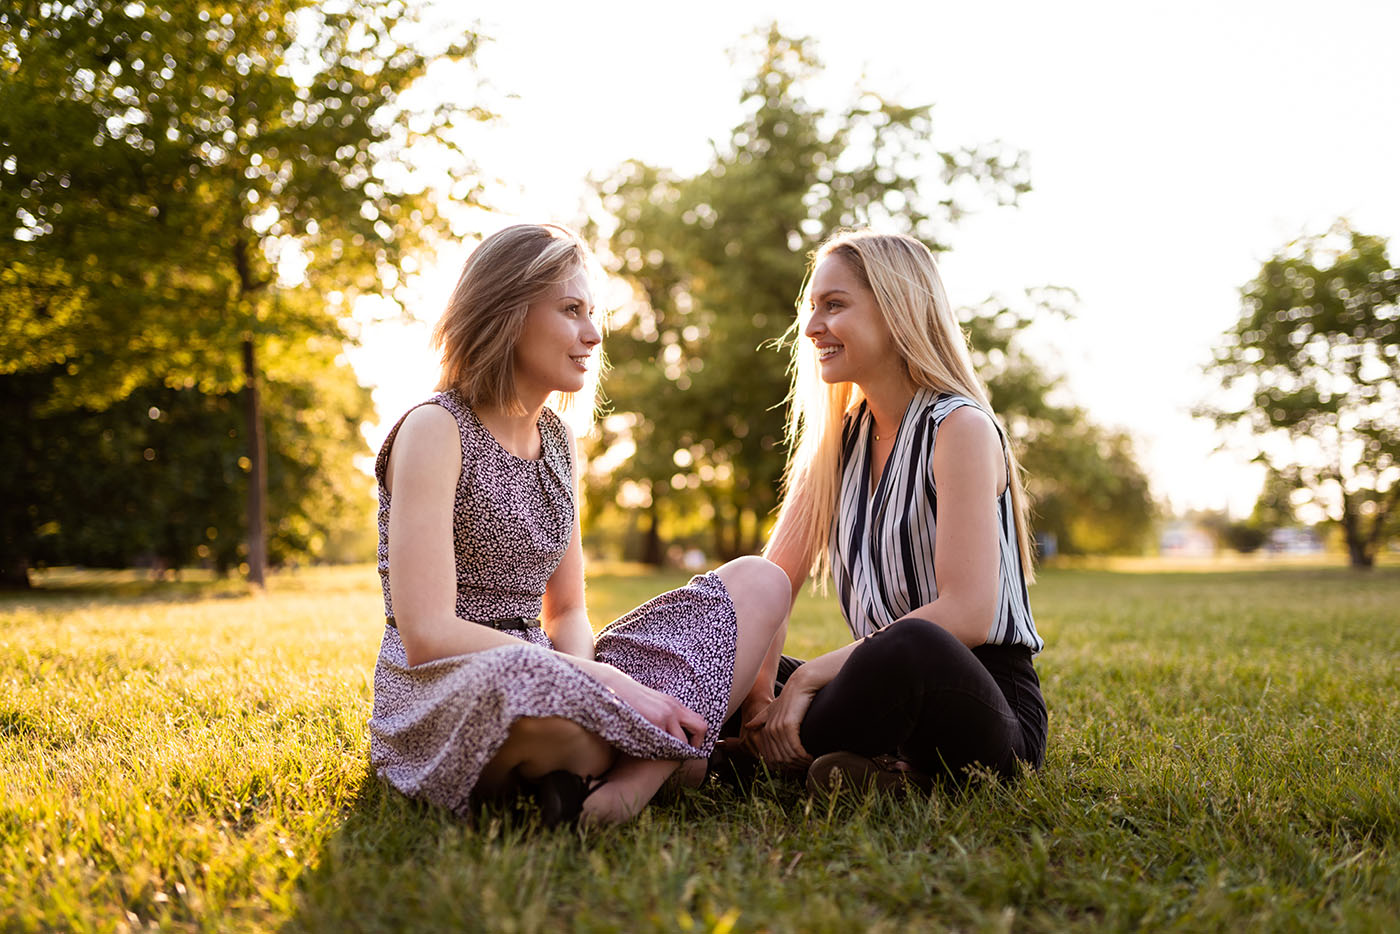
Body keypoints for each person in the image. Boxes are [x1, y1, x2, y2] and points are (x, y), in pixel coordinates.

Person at [369, 223, 789, 826]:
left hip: (558, 664)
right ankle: (659, 756)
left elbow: (565, 613)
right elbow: (428, 633)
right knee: (541, 695)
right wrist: (605, 686)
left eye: (593, 314)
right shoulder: (435, 428)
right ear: (507, 311)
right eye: (571, 311)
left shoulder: (560, 441)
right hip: (460, 682)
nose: (593, 336)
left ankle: (624, 785)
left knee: (760, 581)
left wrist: (601, 683)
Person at [735, 229, 1047, 794]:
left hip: (973, 702)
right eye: (812, 309)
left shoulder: (960, 428)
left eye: (834, 306)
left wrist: (807, 678)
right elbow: (769, 587)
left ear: (896, 308)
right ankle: (852, 765)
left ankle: (750, 759)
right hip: (870, 690)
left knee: (908, 647)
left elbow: (969, 613)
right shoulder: (834, 444)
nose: (811, 329)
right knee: (715, 644)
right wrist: (758, 692)